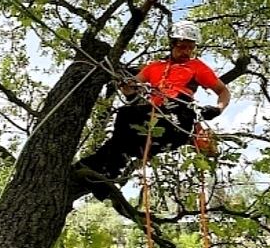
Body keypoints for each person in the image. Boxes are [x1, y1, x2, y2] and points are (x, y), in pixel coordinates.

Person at [74, 20, 231, 199]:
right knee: (118, 142)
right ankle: (86, 172)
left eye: (190, 47)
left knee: (125, 115)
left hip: (178, 117)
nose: (186, 51)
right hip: (154, 116)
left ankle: (110, 174)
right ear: (172, 43)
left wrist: (218, 109)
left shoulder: (196, 66)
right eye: (182, 46)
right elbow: (130, 89)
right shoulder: (155, 67)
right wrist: (125, 83)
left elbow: (223, 91)